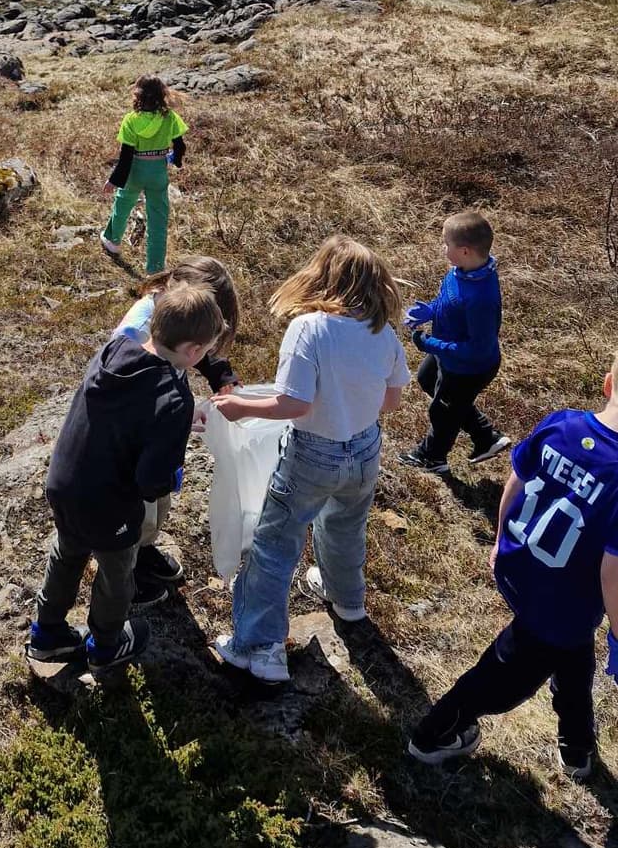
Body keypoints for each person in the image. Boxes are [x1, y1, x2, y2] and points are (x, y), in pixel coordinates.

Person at [409, 352, 618, 780]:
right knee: (507, 678)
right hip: (563, 599)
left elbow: (517, 477)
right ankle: (434, 732)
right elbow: (612, 574)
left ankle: (577, 742)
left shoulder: (562, 422)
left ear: (607, 385)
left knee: (575, 655)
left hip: (522, 561)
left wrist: (502, 536)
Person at [213, 236, 410, 684]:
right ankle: (348, 601)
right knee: (345, 526)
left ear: (322, 276)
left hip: (312, 453)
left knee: (276, 543)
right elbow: (393, 400)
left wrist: (240, 407)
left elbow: (293, 404)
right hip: (364, 450)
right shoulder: (383, 332)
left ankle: (259, 648)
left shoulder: (310, 328)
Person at [27, 285, 225, 673]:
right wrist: (175, 466)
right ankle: (106, 645)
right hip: (109, 503)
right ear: (194, 351)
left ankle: (46, 633)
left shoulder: (114, 351)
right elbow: (152, 481)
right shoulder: (173, 398)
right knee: (118, 572)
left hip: (65, 484)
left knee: (66, 553)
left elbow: (128, 413)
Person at [115, 257, 242, 607]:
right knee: (135, 509)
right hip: (133, 447)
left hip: (158, 438)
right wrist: (177, 417)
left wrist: (222, 376)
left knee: (157, 504)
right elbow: (124, 401)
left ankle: (143, 549)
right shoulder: (134, 333)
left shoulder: (176, 318)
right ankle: (125, 573)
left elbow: (195, 349)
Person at [401, 210, 509, 475]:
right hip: (449, 354)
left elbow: (476, 350)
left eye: (446, 244)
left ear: (464, 251)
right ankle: (486, 437)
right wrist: (430, 311)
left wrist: (430, 344)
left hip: (467, 369)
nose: (443, 248)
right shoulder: (460, 272)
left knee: (443, 412)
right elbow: (448, 300)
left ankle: (432, 457)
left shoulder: (481, 299)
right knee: (427, 379)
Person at [99, 75, 188, 276]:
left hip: (135, 171)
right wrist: (175, 159)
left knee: (123, 203)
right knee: (158, 217)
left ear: (137, 95)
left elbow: (126, 156)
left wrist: (113, 180)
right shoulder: (170, 118)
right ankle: (155, 268)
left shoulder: (131, 120)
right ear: (162, 95)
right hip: (158, 171)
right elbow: (180, 145)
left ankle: (112, 240)